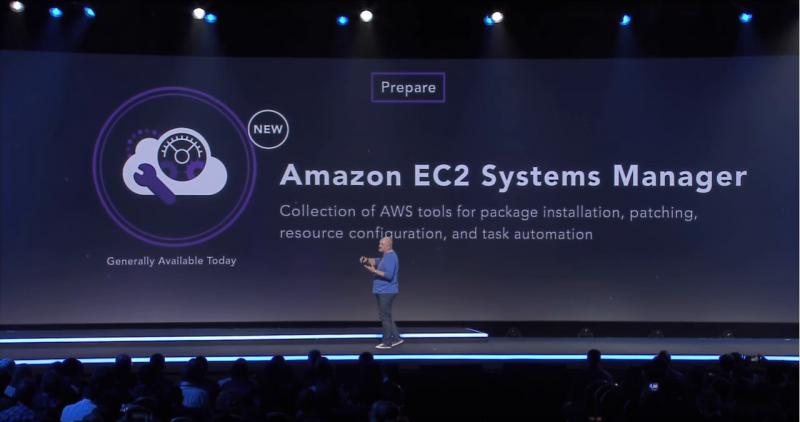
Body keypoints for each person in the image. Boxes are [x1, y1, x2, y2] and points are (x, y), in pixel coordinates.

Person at [360, 237, 402, 349]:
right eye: (379, 243)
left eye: (382, 244)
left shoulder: (391, 257)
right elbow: (378, 261)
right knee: (387, 315)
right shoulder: (386, 256)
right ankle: (397, 338)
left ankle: (387, 342)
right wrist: (367, 259)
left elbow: (388, 275)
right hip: (383, 290)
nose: (379, 245)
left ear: (388, 246)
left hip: (386, 291)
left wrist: (374, 271)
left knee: (385, 317)